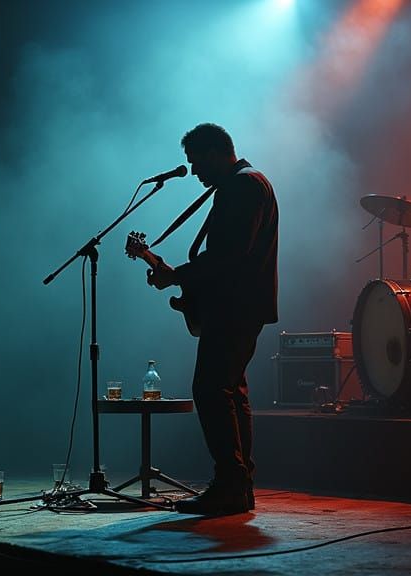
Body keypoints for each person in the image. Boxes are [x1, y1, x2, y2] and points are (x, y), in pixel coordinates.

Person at [146, 123, 278, 515]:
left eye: (197, 162)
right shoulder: (246, 183)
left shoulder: (243, 186)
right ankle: (238, 485)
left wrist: (178, 276)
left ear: (216, 152)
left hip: (236, 306)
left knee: (210, 389)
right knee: (230, 392)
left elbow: (228, 255)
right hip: (241, 305)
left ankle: (230, 485)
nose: (196, 172)